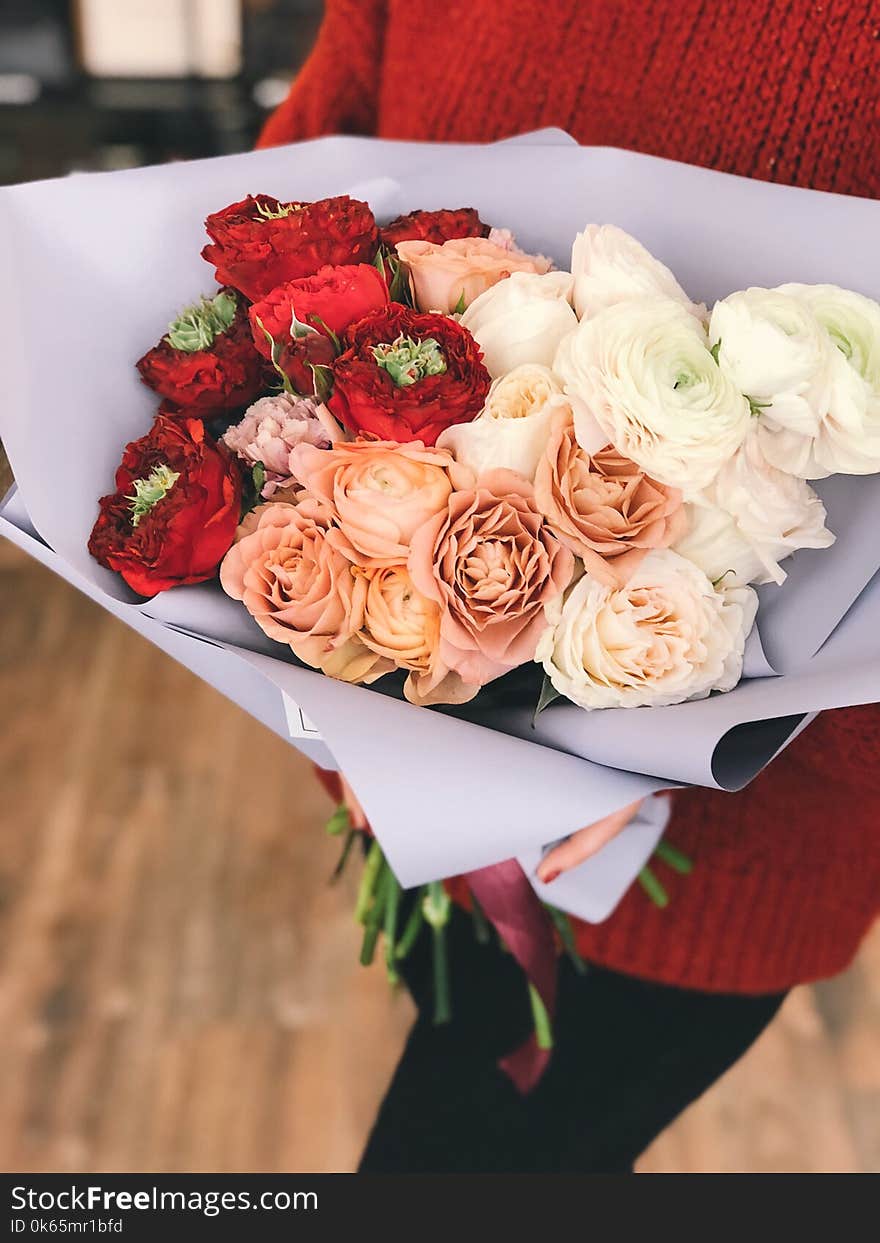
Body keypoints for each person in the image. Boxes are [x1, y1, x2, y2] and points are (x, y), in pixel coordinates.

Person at [258, 0, 880, 1172]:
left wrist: (648, 734)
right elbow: (286, 210)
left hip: (718, 863)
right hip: (416, 775)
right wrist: (361, 691)